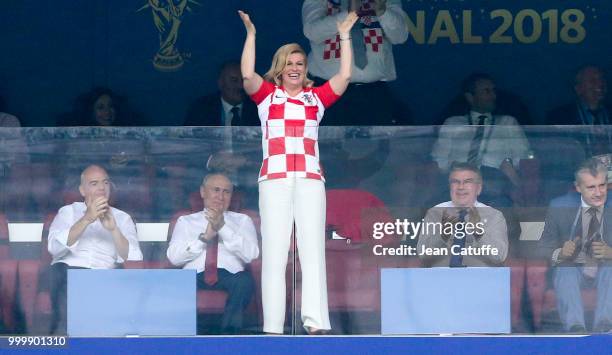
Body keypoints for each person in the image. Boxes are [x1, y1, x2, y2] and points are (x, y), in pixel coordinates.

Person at [238, 9, 358, 334]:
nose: (295, 68)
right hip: (274, 180)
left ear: (306, 69)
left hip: (309, 179)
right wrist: (251, 34)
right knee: (274, 253)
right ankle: (273, 327)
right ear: (280, 68)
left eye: (300, 64)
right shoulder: (266, 97)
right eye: (289, 63)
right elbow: (247, 74)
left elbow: (344, 76)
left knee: (312, 251)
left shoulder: (315, 100)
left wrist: (345, 36)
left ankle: (316, 322)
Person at [47, 165, 143, 334]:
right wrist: (86, 219)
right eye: (94, 183)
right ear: (82, 190)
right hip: (69, 274)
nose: (101, 188)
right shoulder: (68, 212)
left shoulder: (122, 218)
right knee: (63, 279)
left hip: (105, 276)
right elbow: (54, 249)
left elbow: (133, 257)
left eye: (105, 183)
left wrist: (114, 230)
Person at [167, 172, 259, 334]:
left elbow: (251, 255)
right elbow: (174, 258)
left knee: (244, 281)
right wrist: (204, 238)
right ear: (203, 192)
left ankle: (229, 335)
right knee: (175, 283)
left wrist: (223, 228)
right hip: (194, 275)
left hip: (231, 276)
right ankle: (186, 337)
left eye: (226, 191)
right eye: (216, 190)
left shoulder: (243, 220)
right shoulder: (186, 221)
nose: (220, 196)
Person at [302, 0, 410, 125]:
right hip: (328, 91)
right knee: (328, 142)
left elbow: (400, 36)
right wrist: (349, 14)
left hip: (375, 92)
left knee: (375, 142)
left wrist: (382, 11)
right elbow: (312, 32)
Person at [431, 73, 530, 207]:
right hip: (459, 186)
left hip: (496, 185)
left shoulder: (507, 123)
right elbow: (439, 160)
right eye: (486, 91)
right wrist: (453, 166)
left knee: (501, 212)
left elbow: (524, 158)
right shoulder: (453, 124)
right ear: (470, 97)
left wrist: (508, 165)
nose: (493, 96)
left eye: (493, 91)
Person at [538, 158, 612, 333]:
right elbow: (543, 246)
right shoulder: (559, 206)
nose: (598, 193)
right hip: (573, 271)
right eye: (591, 187)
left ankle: (605, 326)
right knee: (566, 267)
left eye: (602, 186)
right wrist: (560, 253)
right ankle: (575, 328)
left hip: (604, 271)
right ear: (578, 187)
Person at [417, 162, 508, 267]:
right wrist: (442, 236)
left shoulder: (494, 216)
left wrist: (478, 232)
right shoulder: (435, 213)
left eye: (467, 182)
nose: (461, 187)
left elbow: (499, 257)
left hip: (479, 279)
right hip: (441, 278)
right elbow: (423, 256)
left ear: (478, 188)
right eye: (455, 182)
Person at [546, 65, 611, 157]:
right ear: (578, 89)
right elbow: (555, 153)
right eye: (593, 81)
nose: (599, 84)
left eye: (602, 80)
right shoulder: (559, 117)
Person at [184, 61, 259, 127]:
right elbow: (188, 140)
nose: (240, 86)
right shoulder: (201, 109)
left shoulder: (258, 109)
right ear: (221, 83)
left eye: (244, 80)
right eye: (234, 80)